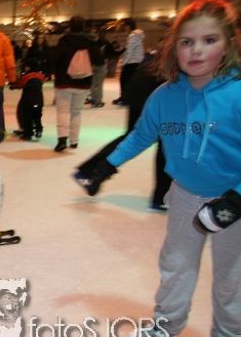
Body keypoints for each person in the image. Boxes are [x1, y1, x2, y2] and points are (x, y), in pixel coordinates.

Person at [80, 0, 241, 337]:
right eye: (187, 42)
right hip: (186, 196)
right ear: (174, 47)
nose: (196, 51)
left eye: (209, 40)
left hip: (236, 203)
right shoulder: (166, 95)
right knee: (176, 265)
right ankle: (166, 325)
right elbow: (141, 135)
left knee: (231, 276)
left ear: (228, 44)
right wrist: (108, 164)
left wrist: (239, 198)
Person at [73, 54, 171, 210]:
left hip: (145, 86)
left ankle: (89, 172)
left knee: (147, 138)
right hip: (150, 89)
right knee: (162, 141)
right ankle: (162, 196)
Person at [50, 16, 103, 151]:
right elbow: (99, 61)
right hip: (83, 82)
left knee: (63, 111)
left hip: (64, 81)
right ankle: (74, 141)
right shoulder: (90, 42)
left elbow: (54, 59)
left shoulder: (64, 41)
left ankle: (62, 139)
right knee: (76, 112)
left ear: (70, 26)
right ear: (83, 27)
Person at [9, 57, 45, 140]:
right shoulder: (41, 76)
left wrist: (13, 86)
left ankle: (28, 133)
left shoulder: (27, 76)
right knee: (37, 116)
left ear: (28, 67)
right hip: (39, 100)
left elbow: (19, 84)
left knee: (27, 116)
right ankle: (39, 130)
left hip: (28, 100)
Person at [113, 18, 145, 105]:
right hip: (136, 62)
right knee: (128, 81)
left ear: (129, 26)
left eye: (125, 26)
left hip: (131, 62)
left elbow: (129, 51)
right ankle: (125, 97)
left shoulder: (133, 36)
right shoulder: (136, 36)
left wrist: (124, 62)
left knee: (124, 80)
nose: (124, 28)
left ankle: (125, 98)